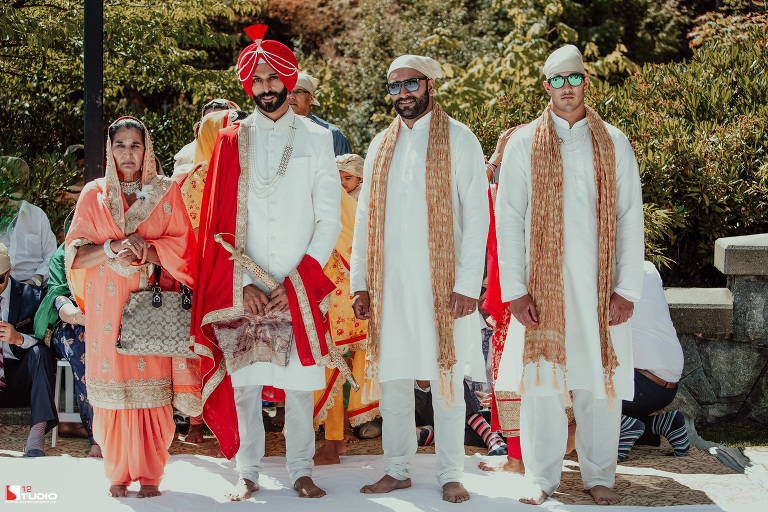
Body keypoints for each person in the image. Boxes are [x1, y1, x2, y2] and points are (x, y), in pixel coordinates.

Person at [192, 24, 342, 501]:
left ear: (288, 78)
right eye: (256, 80)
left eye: (272, 77)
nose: (265, 88)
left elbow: (329, 220)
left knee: (299, 383)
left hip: (297, 281)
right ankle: (248, 470)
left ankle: (301, 469)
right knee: (246, 383)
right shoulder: (230, 140)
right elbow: (217, 223)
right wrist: (242, 283)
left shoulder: (317, 139)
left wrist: (300, 279)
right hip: (246, 283)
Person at [495, 44, 644, 506]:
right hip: (542, 289)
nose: (566, 88)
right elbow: (509, 218)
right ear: (546, 86)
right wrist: (515, 291)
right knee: (542, 384)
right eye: (557, 80)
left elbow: (630, 216)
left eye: (574, 78)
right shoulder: (523, 143)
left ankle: (599, 476)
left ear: (585, 81)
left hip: (600, 289)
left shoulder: (614, 141)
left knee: (599, 384)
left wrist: (626, 289)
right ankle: (541, 478)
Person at [349, 54, 489, 503]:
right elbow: (364, 219)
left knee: (446, 381)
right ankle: (397, 469)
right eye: (395, 86)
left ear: (430, 85)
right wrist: (359, 282)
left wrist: (468, 284)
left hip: (443, 288)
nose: (403, 93)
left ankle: (451, 472)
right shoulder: (380, 145)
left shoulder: (460, 139)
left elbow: (478, 215)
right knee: (393, 382)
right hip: (390, 286)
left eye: (411, 84)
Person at [65, 117, 197, 498]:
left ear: (146, 150)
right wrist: (110, 248)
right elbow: (74, 256)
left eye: (135, 145)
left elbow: (185, 250)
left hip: (150, 306)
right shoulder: (94, 195)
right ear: (110, 150)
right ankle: (118, 472)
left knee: (151, 392)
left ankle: (151, 474)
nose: (127, 152)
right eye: (120, 145)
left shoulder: (165, 192)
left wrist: (148, 249)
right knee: (111, 394)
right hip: (106, 308)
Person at [313, 154, 380, 466]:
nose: (341, 183)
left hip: (340, 294)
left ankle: (335, 438)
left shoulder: (339, 203)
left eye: (347, 177)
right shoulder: (359, 205)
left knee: (332, 361)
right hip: (352, 292)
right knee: (340, 361)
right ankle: (336, 435)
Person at [33, 182, 102, 457]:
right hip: (69, 325)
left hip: (104, 318)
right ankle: (98, 436)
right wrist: (79, 316)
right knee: (83, 343)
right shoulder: (62, 255)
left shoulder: (105, 250)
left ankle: (130, 430)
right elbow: (58, 298)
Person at [619, 261, 689, 461]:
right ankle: (665, 423)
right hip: (668, 385)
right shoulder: (649, 268)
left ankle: (618, 427)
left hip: (640, 383)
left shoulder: (610, 274)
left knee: (576, 390)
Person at [0, 244, 54, 457]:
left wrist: (19, 338)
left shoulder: (32, 296)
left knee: (41, 354)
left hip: (17, 377)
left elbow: (46, 342)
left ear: (9, 271)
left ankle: (37, 432)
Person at [0, 156, 57, 287]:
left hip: (31, 287)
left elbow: (51, 255)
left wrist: (36, 279)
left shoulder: (37, 215)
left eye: (16, 186)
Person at [172, 98, 240, 176]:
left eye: (217, 121)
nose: (211, 127)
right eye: (207, 122)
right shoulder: (186, 157)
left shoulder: (244, 152)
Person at [289, 73, 352, 156]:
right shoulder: (277, 132)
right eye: (288, 92)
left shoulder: (333, 135)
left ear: (311, 98)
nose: (291, 96)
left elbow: (348, 164)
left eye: (298, 92)